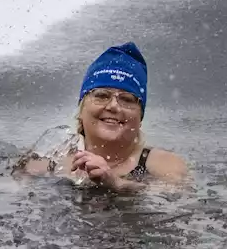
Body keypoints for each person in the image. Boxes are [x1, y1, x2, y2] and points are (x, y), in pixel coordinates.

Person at [16, 42, 187, 192]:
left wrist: (117, 184)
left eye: (127, 99)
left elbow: (178, 199)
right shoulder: (47, 163)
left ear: (140, 117)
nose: (113, 106)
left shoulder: (164, 165)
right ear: (81, 110)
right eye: (101, 95)